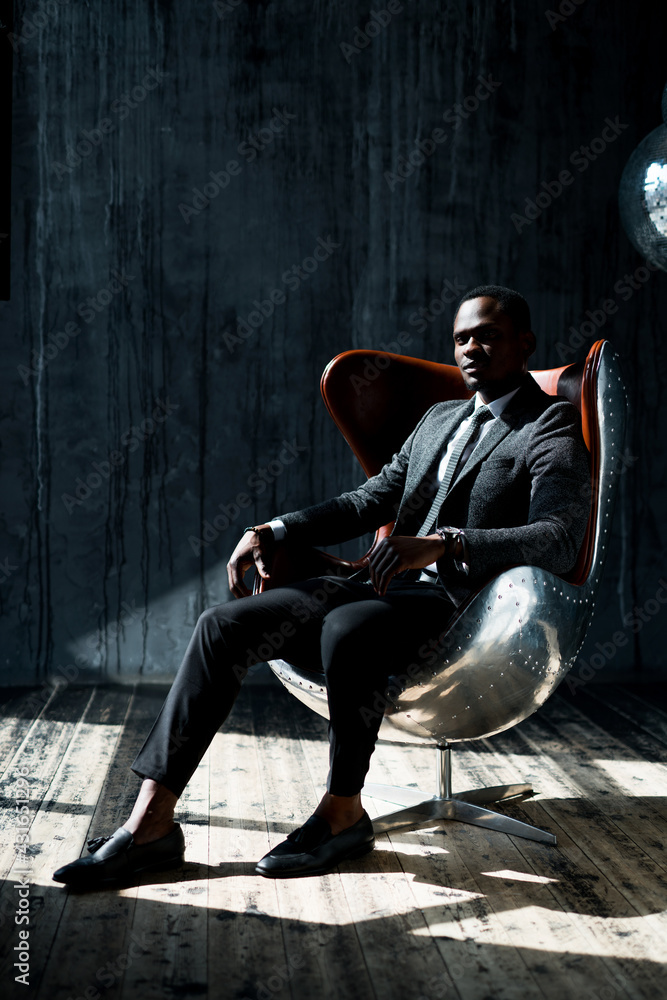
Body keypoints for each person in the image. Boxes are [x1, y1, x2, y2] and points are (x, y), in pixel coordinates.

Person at [53, 285, 590, 885]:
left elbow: (558, 536)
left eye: (487, 335)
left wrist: (448, 542)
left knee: (348, 627)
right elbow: (369, 500)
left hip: (465, 607)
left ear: (525, 343)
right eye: (461, 338)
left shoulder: (550, 424)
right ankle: (151, 824)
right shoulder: (441, 418)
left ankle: (343, 813)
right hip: (380, 582)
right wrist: (274, 529)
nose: (471, 349)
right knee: (222, 626)